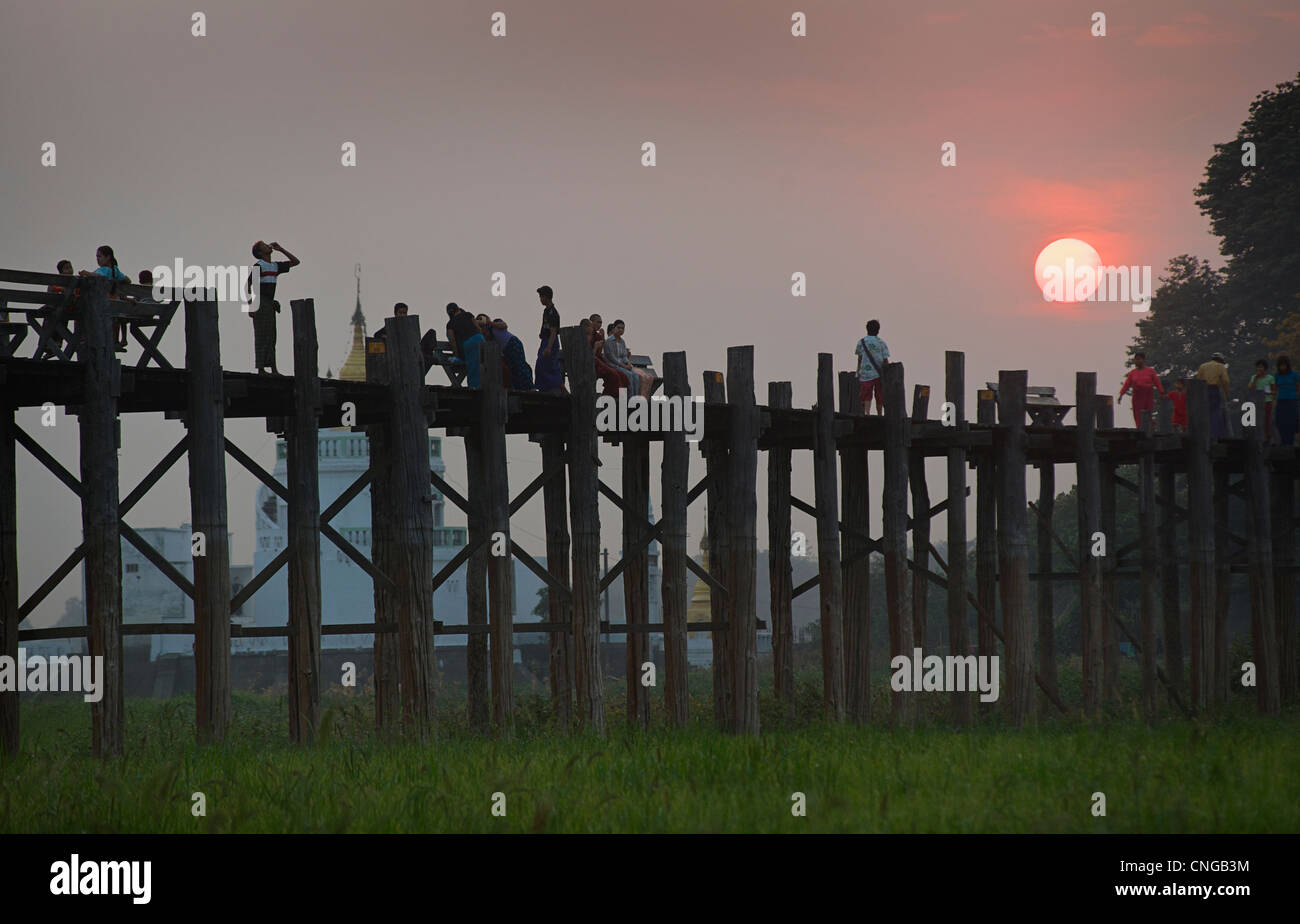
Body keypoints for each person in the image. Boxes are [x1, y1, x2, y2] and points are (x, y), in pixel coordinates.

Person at [245, 240, 300, 375]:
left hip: (269, 303)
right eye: (263, 245)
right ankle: (261, 369)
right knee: (261, 335)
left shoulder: (275, 266)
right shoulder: (259, 266)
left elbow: (295, 262)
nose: (267, 245)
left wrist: (281, 249)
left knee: (271, 336)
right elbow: (248, 284)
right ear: (260, 252)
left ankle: (274, 368)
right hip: (261, 302)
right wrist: (250, 304)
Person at [79, 245, 130, 352]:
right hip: (113, 306)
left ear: (108, 257)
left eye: (100, 256)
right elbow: (128, 280)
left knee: (82, 312)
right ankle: (114, 342)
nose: (97, 259)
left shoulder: (104, 270)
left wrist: (86, 273)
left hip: (101, 306)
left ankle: (82, 338)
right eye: (97, 257)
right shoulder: (115, 270)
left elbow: (98, 276)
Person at [603, 319, 652, 397]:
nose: (620, 330)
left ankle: (635, 397)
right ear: (614, 328)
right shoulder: (609, 341)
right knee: (628, 375)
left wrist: (629, 364)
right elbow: (612, 358)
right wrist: (624, 366)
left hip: (622, 365)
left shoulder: (622, 341)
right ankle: (629, 397)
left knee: (635, 376)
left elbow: (624, 356)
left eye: (622, 328)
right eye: (618, 328)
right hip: (613, 365)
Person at [1117, 351, 1165, 428]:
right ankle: (1139, 429)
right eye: (1135, 360)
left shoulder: (1150, 371)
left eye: (1139, 359)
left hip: (1147, 395)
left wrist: (1161, 392)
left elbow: (1157, 382)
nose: (1137, 361)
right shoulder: (1132, 373)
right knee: (1137, 414)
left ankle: (1150, 426)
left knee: (1147, 413)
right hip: (1137, 396)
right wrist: (1121, 395)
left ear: (1143, 360)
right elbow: (1127, 385)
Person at [445, 302, 484, 387]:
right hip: (479, 338)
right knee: (484, 363)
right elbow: (478, 328)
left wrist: (456, 353)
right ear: (458, 308)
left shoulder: (450, 323)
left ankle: (475, 387)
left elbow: (452, 340)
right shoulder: (468, 314)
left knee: (473, 367)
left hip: (468, 344)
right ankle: (485, 385)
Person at [855, 319, 890, 415]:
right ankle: (879, 414)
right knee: (879, 395)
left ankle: (867, 413)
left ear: (867, 329)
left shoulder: (861, 342)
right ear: (878, 330)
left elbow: (860, 358)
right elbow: (885, 360)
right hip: (879, 374)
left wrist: (858, 372)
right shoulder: (882, 343)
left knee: (866, 395)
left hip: (865, 373)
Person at [588, 313, 628, 395]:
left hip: (599, 361)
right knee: (614, 375)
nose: (600, 325)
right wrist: (595, 347)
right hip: (591, 362)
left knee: (622, 375)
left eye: (601, 323)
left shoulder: (598, 336)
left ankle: (621, 396)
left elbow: (599, 353)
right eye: (598, 322)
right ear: (591, 322)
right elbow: (588, 356)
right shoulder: (584, 335)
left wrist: (602, 339)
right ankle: (609, 395)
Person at [489, 318, 534, 390]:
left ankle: (528, 387)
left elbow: (504, 325)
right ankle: (518, 387)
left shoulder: (495, 324)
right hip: (505, 350)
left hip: (512, 343)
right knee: (512, 369)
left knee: (519, 366)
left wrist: (490, 322)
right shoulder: (488, 332)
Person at [535, 285, 564, 393]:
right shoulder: (546, 311)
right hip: (545, 340)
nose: (540, 300)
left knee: (547, 366)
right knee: (542, 366)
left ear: (546, 297)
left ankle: (559, 387)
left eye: (541, 297)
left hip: (550, 342)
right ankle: (545, 388)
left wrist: (549, 347)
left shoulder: (553, 313)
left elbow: (553, 332)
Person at [1195, 351, 1230, 437]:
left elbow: (1198, 380)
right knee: (1215, 412)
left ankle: (1204, 433)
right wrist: (1226, 393)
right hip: (1214, 389)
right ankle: (1215, 433)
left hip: (1203, 391)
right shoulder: (1220, 366)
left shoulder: (1202, 366)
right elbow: (1226, 381)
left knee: (1204, 412)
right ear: (1221, 360)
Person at [1247, 359, 1275, 442]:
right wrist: (1255, 378)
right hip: (1256, 402)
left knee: (1266, 420)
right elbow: (1250, 388)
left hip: (1267, 402)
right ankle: (1257, 438)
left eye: (1261, 367)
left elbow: (1274, 391)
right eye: (1258, 367)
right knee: (1256, 421)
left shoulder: (1270, 378)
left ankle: (1267, 438)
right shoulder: (1253, 377)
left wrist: (1268, 392)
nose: (1259, 369)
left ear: (1265, 368)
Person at [1274, 355, 1298, 448]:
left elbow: (1298, 386)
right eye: (1281, 365)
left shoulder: (1294, 374)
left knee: (1291, 423)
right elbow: (1275, 389)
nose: (1282, 367)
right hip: (1281, 401)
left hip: (1292, 400)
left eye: (1284, 365)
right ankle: (1283, 442)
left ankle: (1290, 443)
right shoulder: (1276, 375)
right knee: (1280, 422)